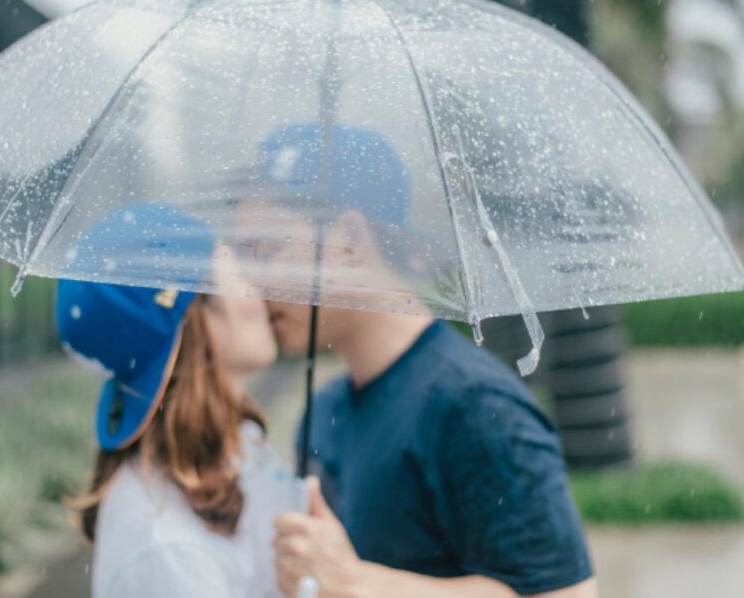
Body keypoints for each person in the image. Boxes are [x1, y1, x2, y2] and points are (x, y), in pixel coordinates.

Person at [249, 124, 598, 597]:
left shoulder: (473, 406)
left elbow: (566, 594)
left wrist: (355, 583)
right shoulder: (324, 411)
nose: (257, 282)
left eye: (269, 250)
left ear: (349, 240)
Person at [55, 203, 304, 598]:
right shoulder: (167, 553)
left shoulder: (235, 444)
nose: (258, 288)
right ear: (196, 321)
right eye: (237, 271)